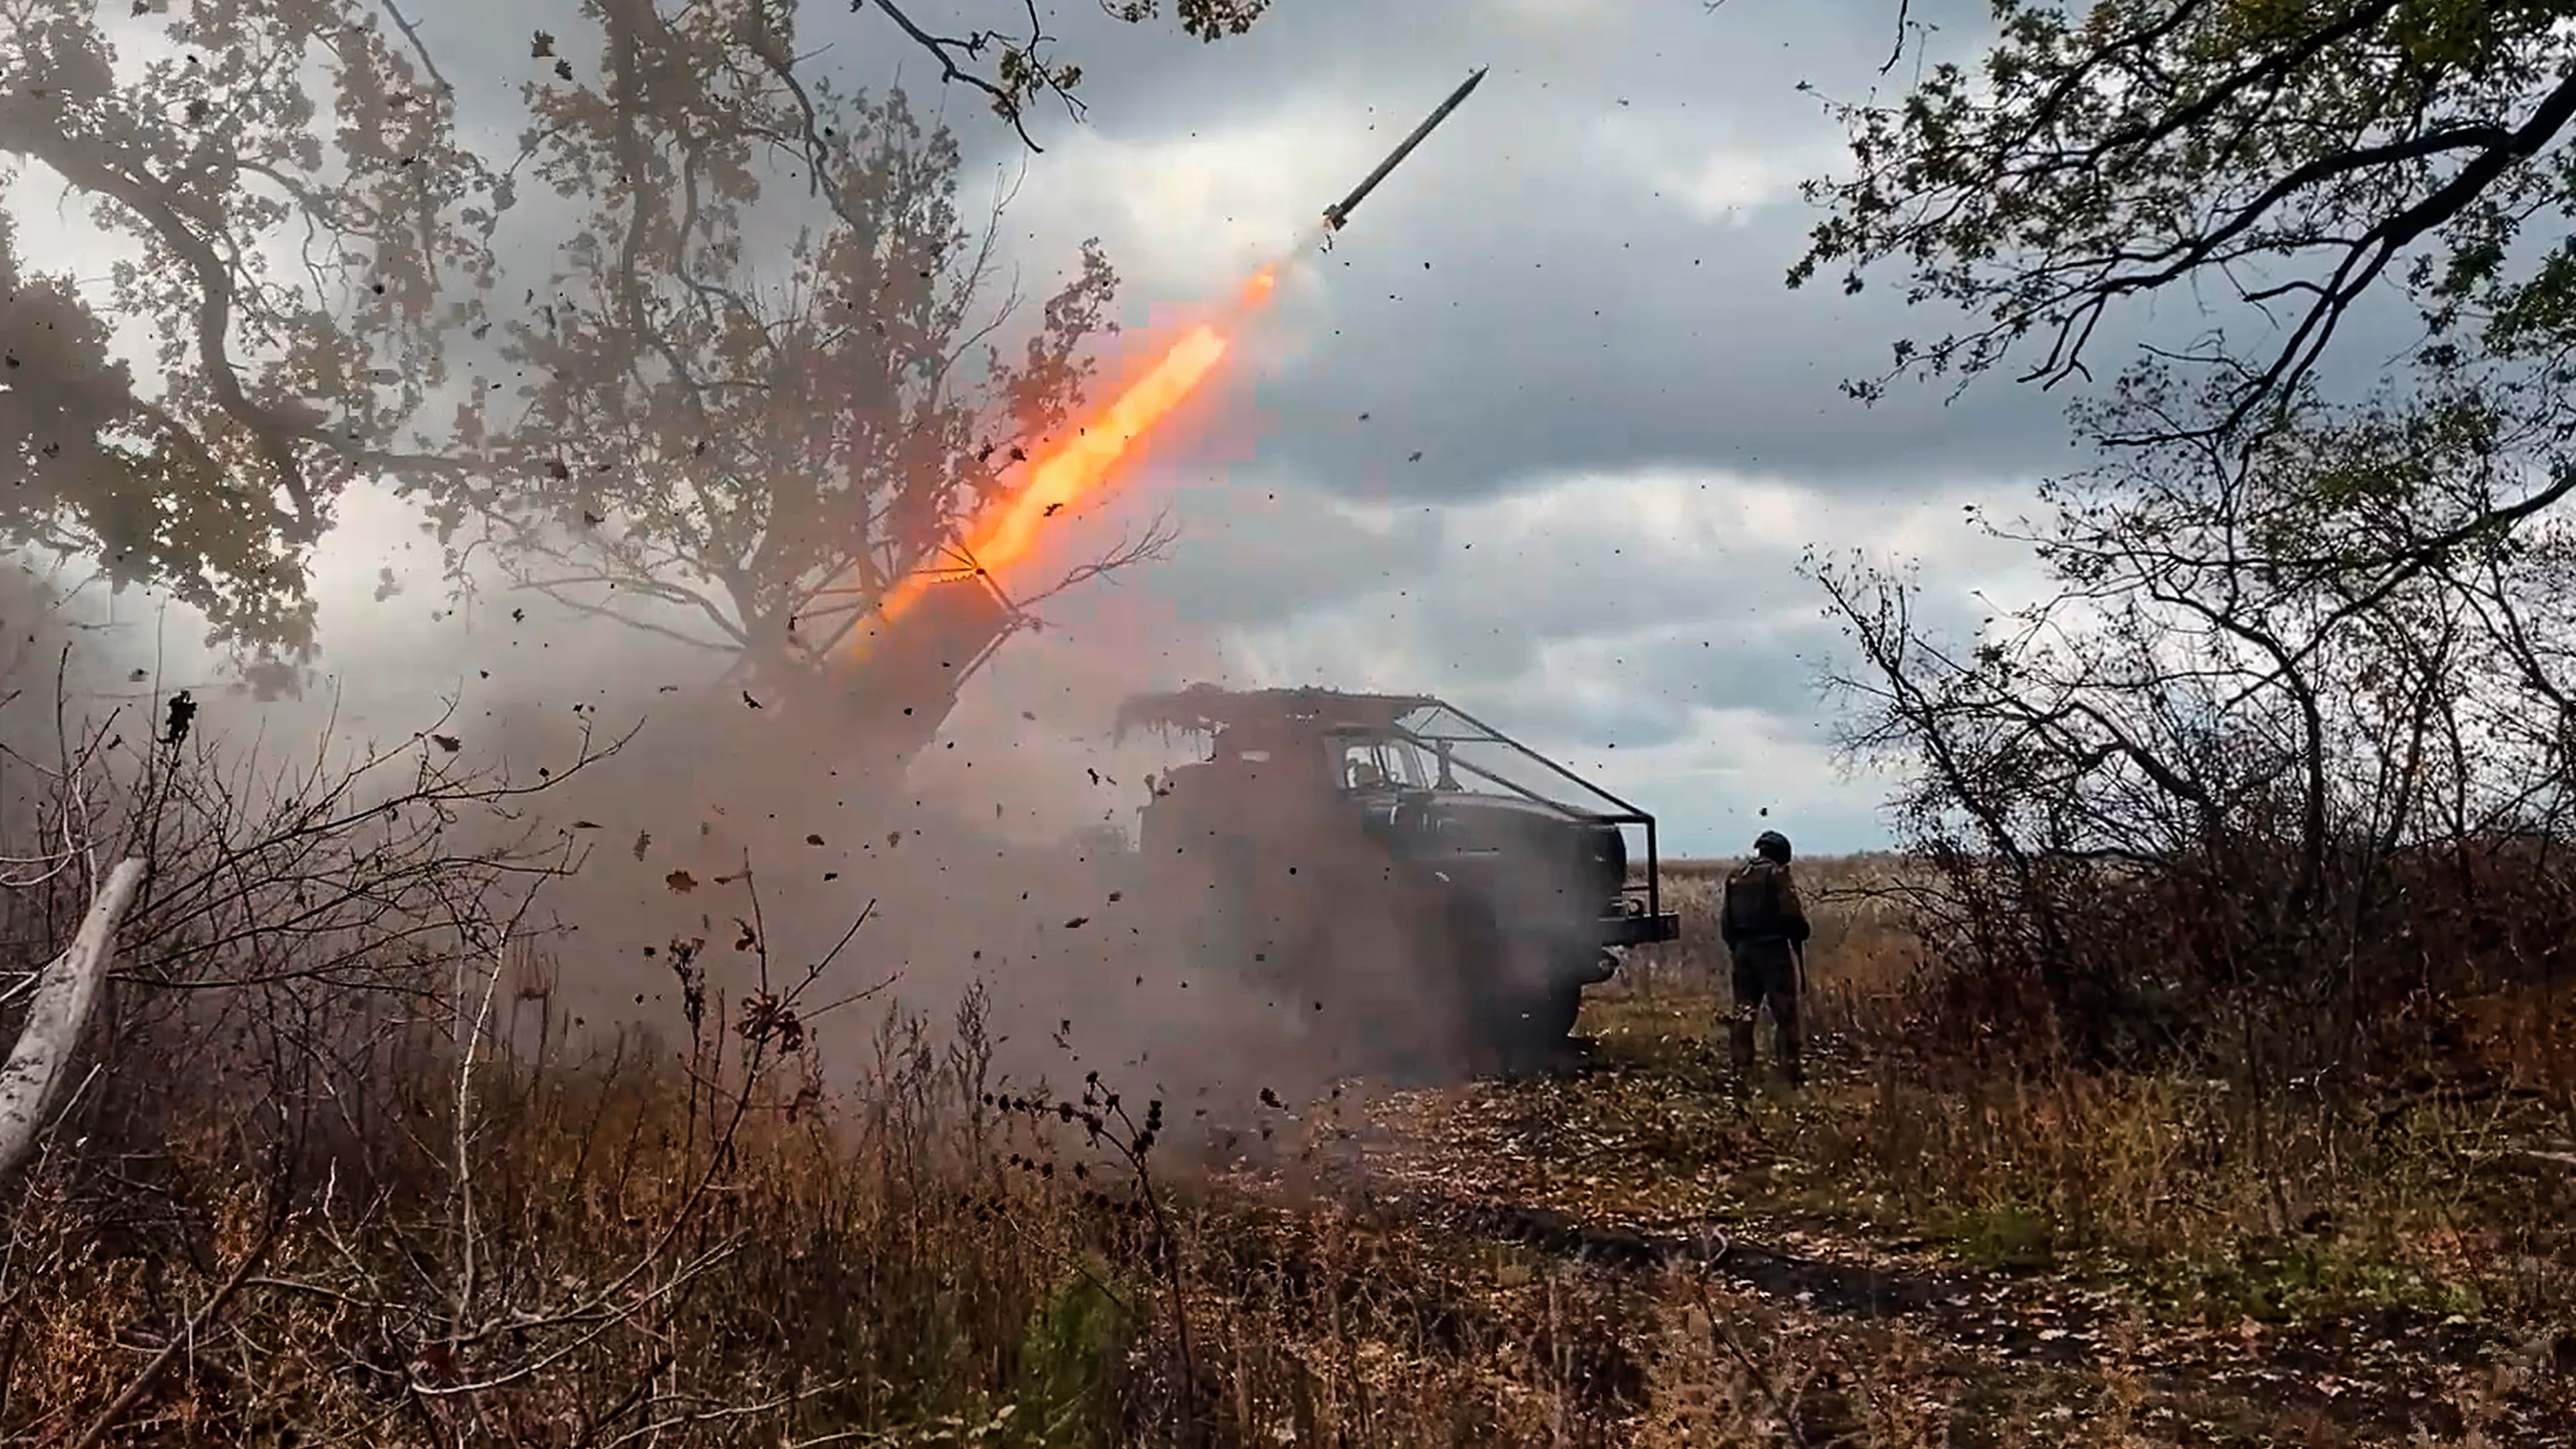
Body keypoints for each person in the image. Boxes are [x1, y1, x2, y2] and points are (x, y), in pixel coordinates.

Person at [1718, 829, 1811, 1087]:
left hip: (1743, 953)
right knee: (1785, 1013)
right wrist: (1801, 931)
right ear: (1782, 854)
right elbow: (1790, 911)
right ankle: (1790, 1072)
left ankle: (1741, 1070)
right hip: (1773, 952)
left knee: (1744, 1012)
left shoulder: (1736, 875)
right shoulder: (1776, 874)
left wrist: (1738, 949)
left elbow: (1726, 921)